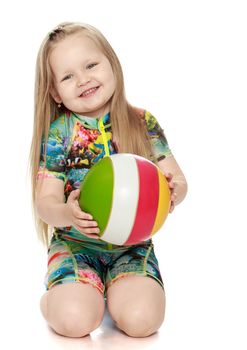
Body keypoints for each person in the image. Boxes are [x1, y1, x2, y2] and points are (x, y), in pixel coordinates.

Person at [30, 22, 187, 338]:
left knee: (143, 322)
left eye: (91, 65)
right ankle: (60, 297)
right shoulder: (60, 134)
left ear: (112, 63)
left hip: (133, 247)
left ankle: (113, 291)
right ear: (54, 92)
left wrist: (172, 190)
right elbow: (45, 202)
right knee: (74, 321)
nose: (83, 79)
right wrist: (67, 214)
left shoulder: (142, 122)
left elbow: (179, 181)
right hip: (76, 246)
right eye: (67, 76)